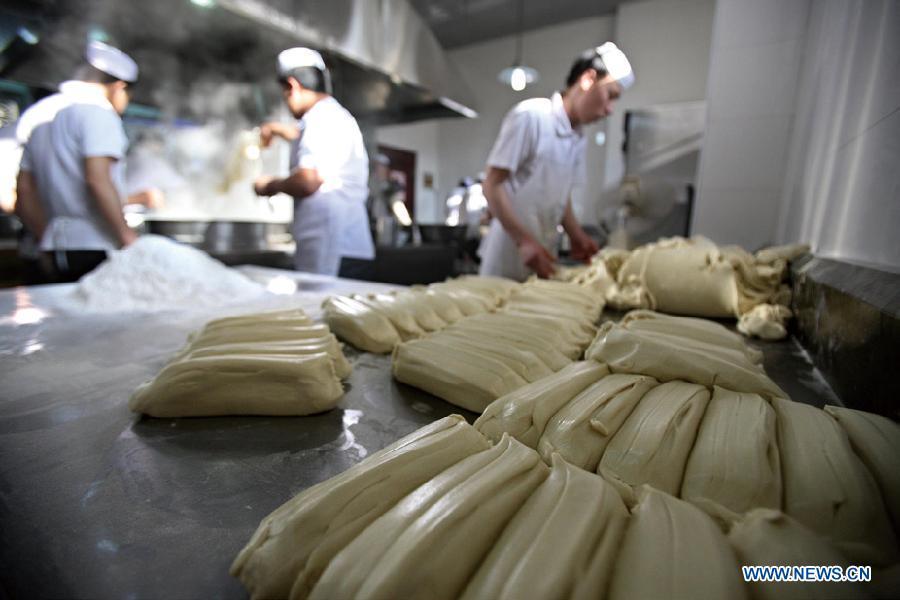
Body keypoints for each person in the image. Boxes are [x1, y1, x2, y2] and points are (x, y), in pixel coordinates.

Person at [479, 42, 634, 280]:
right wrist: (523, 241)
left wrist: (576, 235)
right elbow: (492, 184)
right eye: (610, 95)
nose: (610, 109)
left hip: (542, 256)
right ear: (588, 79)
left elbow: (561, 195)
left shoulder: (578, 136)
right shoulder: (532, 117)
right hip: (507, 259)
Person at [15, 41, 143, 283]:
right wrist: (127, 237)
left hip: (51, 248)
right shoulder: (98, 113)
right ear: (119, 87)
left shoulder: (38, 114)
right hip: (96, 247)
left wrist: (45, 236)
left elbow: (24, 189)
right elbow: (97, 179)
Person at [253, 47, 375, 279]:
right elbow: (311, 143)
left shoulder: (320, 119)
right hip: (344, 247)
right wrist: (276, 130)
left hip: (331, 253)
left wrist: (268, 185)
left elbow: (308, 181)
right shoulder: (332, 116)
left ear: (292, 86)